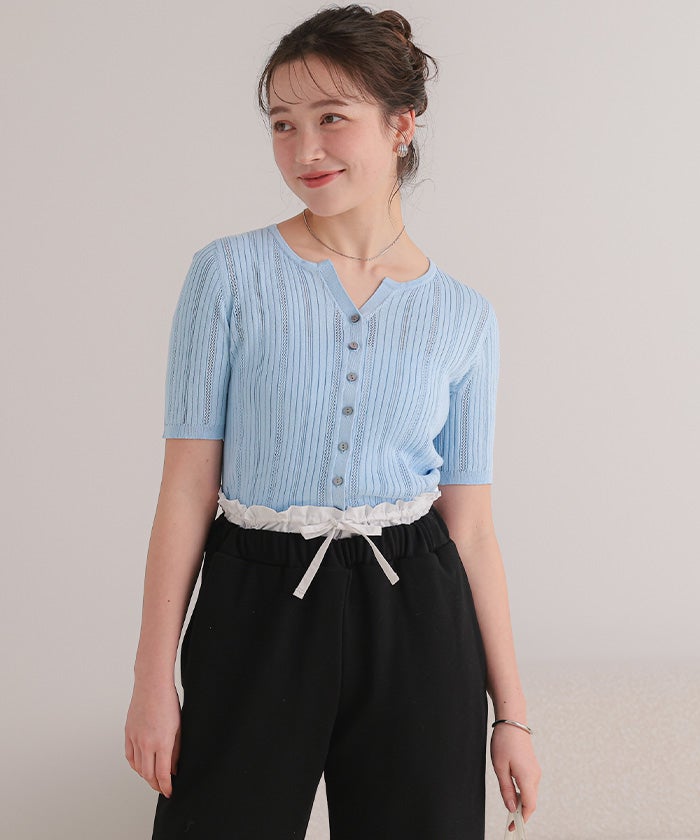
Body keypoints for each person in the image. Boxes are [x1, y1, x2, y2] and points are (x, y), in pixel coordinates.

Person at [124, 4, 541, 839]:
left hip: (417, 608)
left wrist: (512, 716)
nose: (304, 149)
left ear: (400, 124)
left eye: (331, 118)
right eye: (283, 123)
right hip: (254, 598)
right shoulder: (228, 276)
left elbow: (472, 527)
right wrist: (151, 680)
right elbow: (186, 490)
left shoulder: (465, 317)